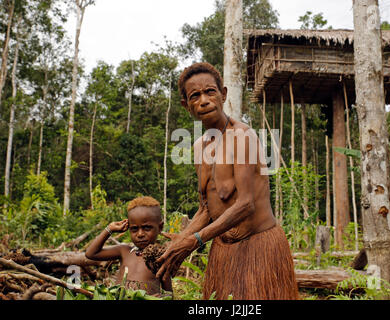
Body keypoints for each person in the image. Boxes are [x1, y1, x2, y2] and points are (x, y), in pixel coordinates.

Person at [156, 62, 298, 300]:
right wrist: (179, 242)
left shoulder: (243, 137)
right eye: (195, 95)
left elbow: (246, 204)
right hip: (223, 251)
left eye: (210, 92)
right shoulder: (199, 147)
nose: (204, 100)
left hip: (259, 246)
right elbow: (206, 209)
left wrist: (195, 240)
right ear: (186, 105)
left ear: (222, 94)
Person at [85, 196, 172, 296]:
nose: (140, 234)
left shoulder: (161, 258)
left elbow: (169, 293)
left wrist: (161, 297)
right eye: (134, 229)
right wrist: (110, 229)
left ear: (160, 227)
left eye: (147, 228)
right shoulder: (124, 251)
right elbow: (90, 253)